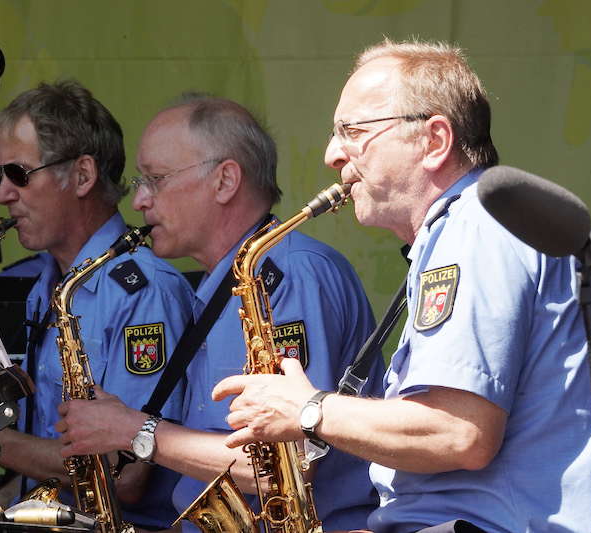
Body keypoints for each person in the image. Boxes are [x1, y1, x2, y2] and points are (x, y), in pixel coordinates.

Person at [211, 39, 591, 533]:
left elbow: (458, 433)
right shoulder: (468, 229)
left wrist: (307, 408)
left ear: (435, 140)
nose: (333, 154)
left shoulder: (476, 227)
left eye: (353, 131)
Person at [55, 95, 384, 532]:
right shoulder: (219, 285)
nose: (140, 202)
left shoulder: (292, 275)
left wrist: (136, 431)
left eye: (155, 179)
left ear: (225, 181)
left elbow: (285, 468)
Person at [0, 80, 194, 530]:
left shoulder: (142, 292)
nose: (3, 194)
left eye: (19, 174)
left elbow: (123, 474)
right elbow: (52, 466)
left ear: (83, 175)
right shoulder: (45, 285)